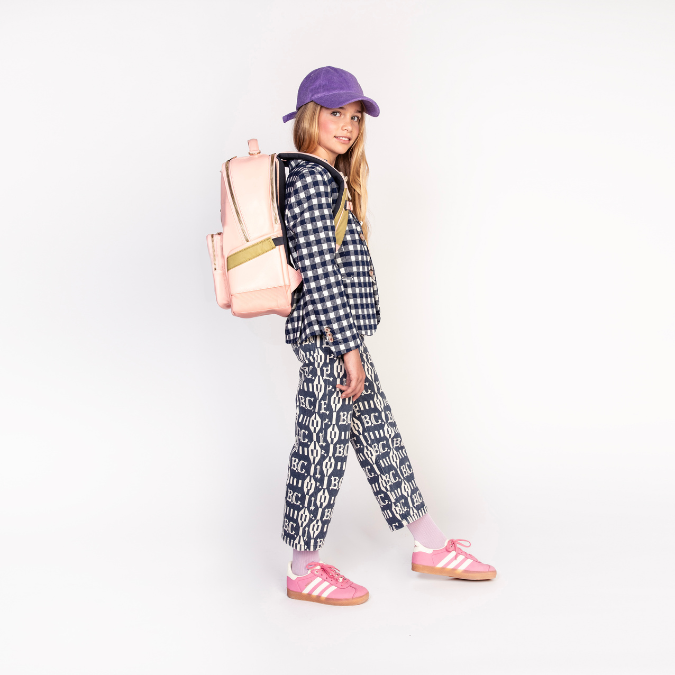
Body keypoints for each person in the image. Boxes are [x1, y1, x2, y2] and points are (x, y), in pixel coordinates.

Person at [281, 66, 496, 606]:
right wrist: (348, 348)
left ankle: (430, 544)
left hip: (339, 335)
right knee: (321, 447)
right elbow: (319, 273)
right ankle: (302, 569)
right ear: (308, 117)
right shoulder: (309, 181)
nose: (347, 126)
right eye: (336, 113)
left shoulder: (328, 178)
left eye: (355, 117)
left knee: (379, 436)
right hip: (330, 337)